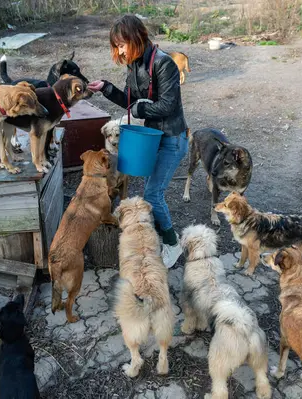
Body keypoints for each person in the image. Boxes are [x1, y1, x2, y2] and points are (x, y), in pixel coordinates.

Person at [88, 14, 188, 268]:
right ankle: (157, 240)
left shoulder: (164, 64)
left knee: (153, 194)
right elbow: (131, 103)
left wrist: (140, 110)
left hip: (172, 139)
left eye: (121, 44)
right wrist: (107, 88)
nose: (119, 51)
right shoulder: (134, 64)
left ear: (135, 38)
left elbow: (168, 105)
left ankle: (173, 245)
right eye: (116, 46)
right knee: (148, 190)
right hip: (153, 138)